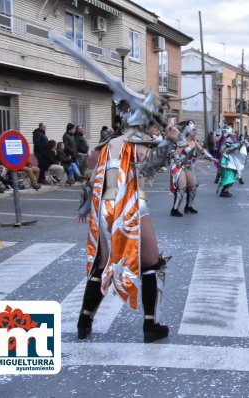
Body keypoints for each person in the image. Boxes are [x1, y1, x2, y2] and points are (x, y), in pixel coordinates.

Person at [76, 110, 180, 343]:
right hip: (132, 206)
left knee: (102, 263)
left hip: (105, 207)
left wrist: (83, 208)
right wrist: (171, 140)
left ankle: (84, 322)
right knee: (153, 263)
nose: (154, 128)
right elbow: (152, 166)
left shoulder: (108, 143)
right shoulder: (138, 144)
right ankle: (150, 325)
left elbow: (93, 181)